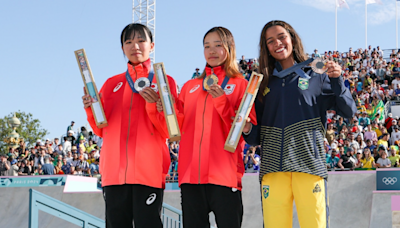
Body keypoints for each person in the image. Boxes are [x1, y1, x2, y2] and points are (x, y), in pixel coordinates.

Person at [242, 20, 356, 228]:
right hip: (273, 168)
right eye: (270, 41)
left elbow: (348, 111)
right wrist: (247, 129)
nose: (277, 43)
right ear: (265, 47)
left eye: (281, 37)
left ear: (292, 38)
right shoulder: (261, 82)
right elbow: (256, 137)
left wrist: (338, 80)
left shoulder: (316, 74)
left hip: (309, 165)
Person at [157, 26, 257, 228]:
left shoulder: (241, 85)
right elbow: (175, 128)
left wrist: (222, 100)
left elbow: (245, 129)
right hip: (190, 177)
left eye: (218, 45)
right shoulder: (189, 87)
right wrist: (162, 109)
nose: (211, 51)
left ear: (229, 48)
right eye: (207, 46)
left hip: (225, 175)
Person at [82, 23, 178, 228]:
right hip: (114, 173)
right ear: (122, 48)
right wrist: (91, 109)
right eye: (129, 41)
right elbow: (101, 129)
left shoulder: (164, 81)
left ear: (151, 45)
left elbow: (170, 130)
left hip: (148, 170)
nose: (135, 46)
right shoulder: (111, 84)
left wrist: (154, 106)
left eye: (141, 40)